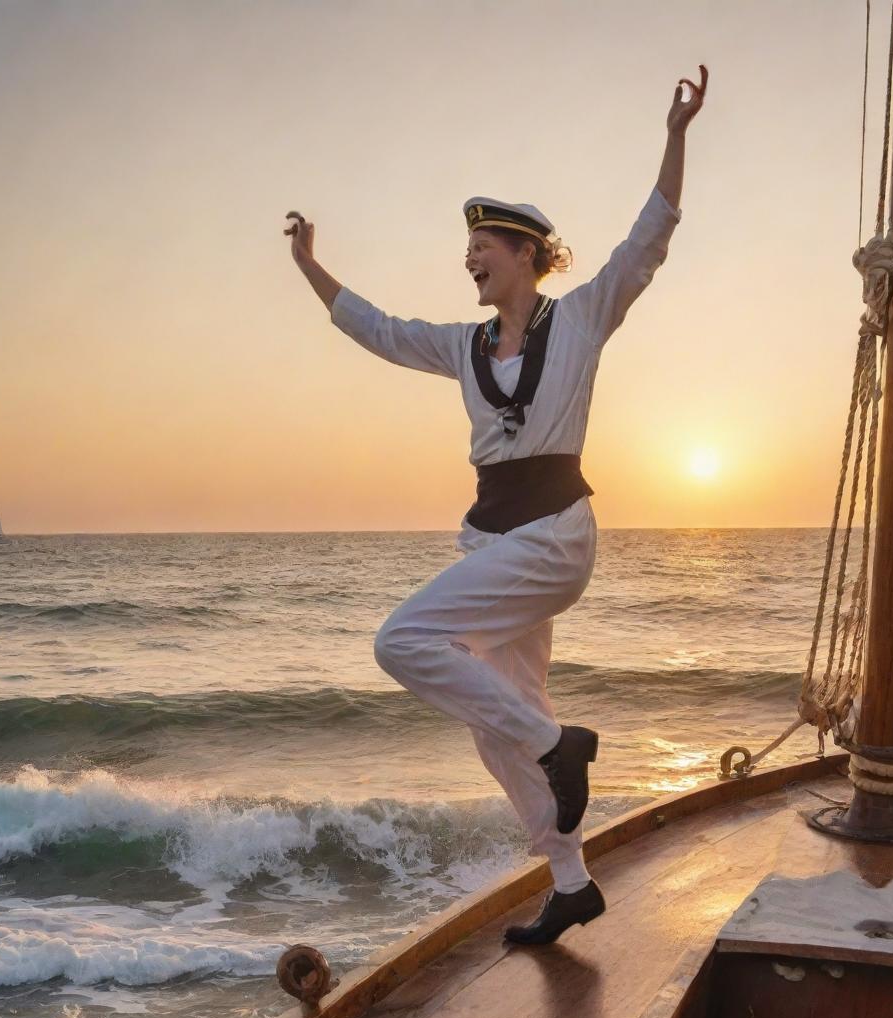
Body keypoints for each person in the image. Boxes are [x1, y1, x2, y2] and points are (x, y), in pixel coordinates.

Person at [284, 66, 707, 944]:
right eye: (466, 246)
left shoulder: (583, 318)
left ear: (524, 254)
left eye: (483, 245)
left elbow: (648, 242)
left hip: (554, 538)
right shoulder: (462, 344)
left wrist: (676, 134)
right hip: (490, 547)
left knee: (401, 641)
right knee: (493, 725)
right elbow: (378, 329)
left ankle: (560, 745)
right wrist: (308, 265)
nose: (468, 257)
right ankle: (570, 879)